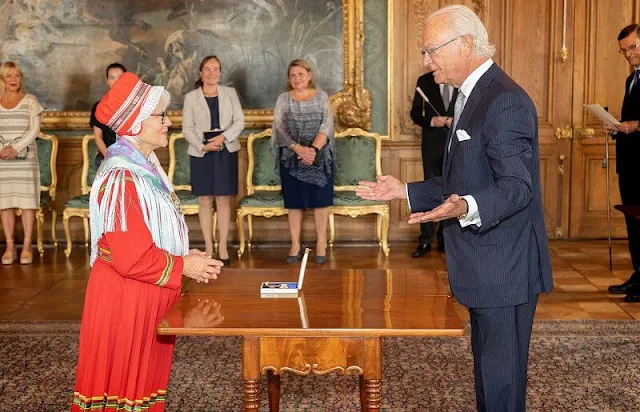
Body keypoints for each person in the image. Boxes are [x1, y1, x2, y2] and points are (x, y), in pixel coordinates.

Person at [356, 6, 553, 411]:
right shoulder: (472, 93)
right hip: (487, 265)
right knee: (490, 377)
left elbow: (518, 188)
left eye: (431, 50)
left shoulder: (504, 100)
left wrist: (465, 206)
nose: (426, 61)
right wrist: (403, 190)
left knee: (501, 384)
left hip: (505, 267)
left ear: (466, 44)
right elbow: (461, 179)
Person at [71, 72, 223, 411]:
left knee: (143, 388)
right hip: (126, 300)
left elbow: (150, 232)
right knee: (127, 390)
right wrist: (186, 265)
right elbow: (131, 259)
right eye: (161, 116)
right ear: (136, 122)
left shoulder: (144, 164)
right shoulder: (123, 176)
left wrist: (183, 254)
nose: (169, 122)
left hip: (143, 292)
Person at [271, 59, 334, 264]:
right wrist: (299, 149)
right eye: (292, 75)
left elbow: (326, 125)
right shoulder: (283, 99)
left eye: (300, 74)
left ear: (309, 75)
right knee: (294, 203)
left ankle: (321, 244)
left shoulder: (322, 97)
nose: (297, 78)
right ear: (289, 79)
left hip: (320, 157)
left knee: (320, 202)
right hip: (291, 157)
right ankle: (295, 244)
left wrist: (313, 150)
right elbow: (279, 127)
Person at [182, 55, 245, 264]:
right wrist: (203, 145)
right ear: (201, 73)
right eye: (207, 69)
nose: (212, 73)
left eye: (216, 69)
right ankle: (209, 246)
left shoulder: (230, 93)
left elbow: (239, 121)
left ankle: (224, 246)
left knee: (224, 199)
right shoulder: (191, 97)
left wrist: (223, 137)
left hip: (225, 147)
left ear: (220, 72)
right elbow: (187, 128)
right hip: (201, 150)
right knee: (204, 200)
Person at [603, 24, 640, 303]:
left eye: (633, 48)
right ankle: (638, 273)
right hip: (629, 162)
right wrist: (617, 127)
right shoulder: (632, 79)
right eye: (624, 51)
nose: (628, 55)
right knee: (633, 221)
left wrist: (635, 126)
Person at [0, 61, 44, 265]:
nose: (13, 80)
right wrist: (1, 150)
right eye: (9, 76)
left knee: (28, 204)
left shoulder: (30, 101)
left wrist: (15, 148)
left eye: (17, 75)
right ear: (2, 79)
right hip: (2, 162)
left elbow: (34, 130)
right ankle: (10, 246)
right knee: (5, 204)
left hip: (25, 161)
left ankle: (27, 246)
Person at [410, 72, 456, 257]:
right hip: (431, 146)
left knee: (453, 190)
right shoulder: (424, 80)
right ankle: (425, 241)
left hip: (456, 145)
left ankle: (446, 239)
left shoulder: (459, 77)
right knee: (429, 189)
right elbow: (415, 114)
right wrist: (432, 121)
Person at [90, 63, 126, 169]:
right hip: (106, 156)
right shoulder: (99, 106)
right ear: (107, 81)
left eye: (119, 77)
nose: (116, 81)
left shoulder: (134, 105)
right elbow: (98, 137)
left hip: (132, 156)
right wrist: (110, 157)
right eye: (112, 78)